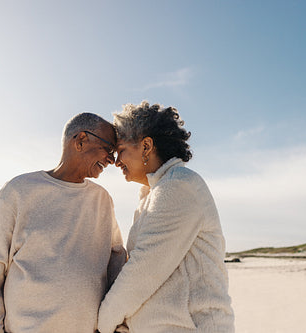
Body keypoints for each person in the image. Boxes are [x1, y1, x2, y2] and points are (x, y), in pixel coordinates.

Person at [0, 113, 126, 333]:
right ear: (80, 140)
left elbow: (117, 267)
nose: (112, 160)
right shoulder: (18, 192)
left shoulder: (103, 201)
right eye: (109, 149)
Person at [97, 102, 235, 333]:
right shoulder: (155, 193)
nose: (116, 161)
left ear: (146, 146)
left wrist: (103, 324)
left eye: (121, 150)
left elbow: (143, 272)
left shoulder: (178, 186)